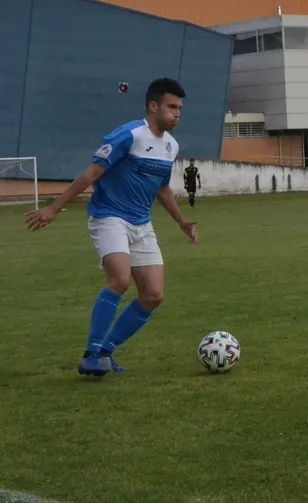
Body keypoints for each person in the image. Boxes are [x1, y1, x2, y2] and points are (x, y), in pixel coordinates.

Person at [24, 77, 199, 377]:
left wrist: (181, 221)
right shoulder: (128, 135)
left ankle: (106, 351)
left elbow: (162, 188)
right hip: (110, 217)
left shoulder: (171, 146)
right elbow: (90, 174)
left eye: (180, 108)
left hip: (141, 224)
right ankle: (91, 354)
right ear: (153, 106)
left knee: (153, 295)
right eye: (172, 107)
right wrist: (54, 208)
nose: (177, 114)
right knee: (119, 279)